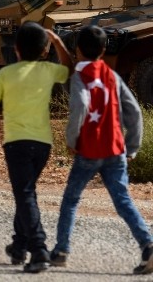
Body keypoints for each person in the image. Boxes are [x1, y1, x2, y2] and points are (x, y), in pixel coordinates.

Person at [49, 25, 153, 275]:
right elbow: (135, 113)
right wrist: (132, 146)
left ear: (78, 50)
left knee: (72, 199)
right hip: (115, 149)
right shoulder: (112, 76)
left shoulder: (79, 78)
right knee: (123, 200)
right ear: (104, 49)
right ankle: (148, 246)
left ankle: (61, 250)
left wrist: (72, 141)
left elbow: (81, 106)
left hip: (89, 151)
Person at [0, 21, 73, 273]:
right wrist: (57, 41)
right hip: (43, 144)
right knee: (27, 193)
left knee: (25, 195)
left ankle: (39, 248)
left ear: (17, 49)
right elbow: (69, 68)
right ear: (44, 50)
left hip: (17, 144)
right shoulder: (48, 70)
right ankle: (19, 246)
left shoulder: (7, 74)